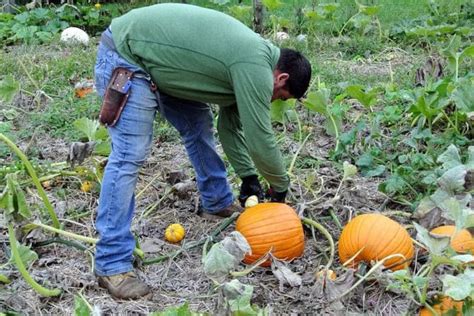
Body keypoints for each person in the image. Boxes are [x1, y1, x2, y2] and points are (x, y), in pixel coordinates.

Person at [93, 3, 311, 299]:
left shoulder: (253, 61)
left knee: (199, 126)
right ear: (281, 78)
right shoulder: (255, 66)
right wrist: (280, 186)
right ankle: (111, 263)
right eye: (280, 96)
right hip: (129, 55)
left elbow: (229, 128)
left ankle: (216, 201)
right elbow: (261, 137)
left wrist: (249, 177)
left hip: (163, 63)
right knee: (130, 153)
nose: (274, 99)